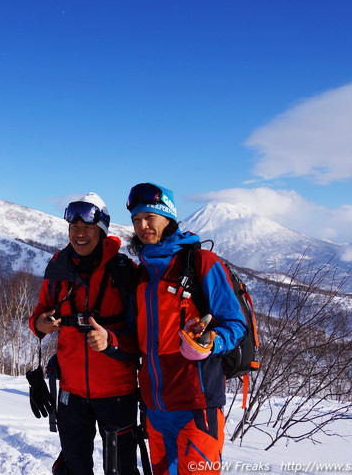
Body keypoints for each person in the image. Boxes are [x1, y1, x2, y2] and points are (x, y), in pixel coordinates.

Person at [113, 182, 246, 475]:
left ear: (169, 219)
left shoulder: (201, 263)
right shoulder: (143, 274)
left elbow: (236, 324)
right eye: (136, 219)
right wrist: (107, 339)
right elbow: (137, 340)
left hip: (196, 404)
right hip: (155, 408)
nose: (143, 225)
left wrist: (210, 342)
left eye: (150, 217)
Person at [29, 192, 140, 475]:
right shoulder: (58, 268)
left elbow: (144, 338)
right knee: (74, 466)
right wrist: (40, 325)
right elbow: (39, 313)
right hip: (71, 391)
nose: (79, 234)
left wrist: (110, 341)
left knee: (121, 467)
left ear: (102, 231)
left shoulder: (125, 272)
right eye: (73, 228)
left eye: (87, 227)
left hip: (117, 392)